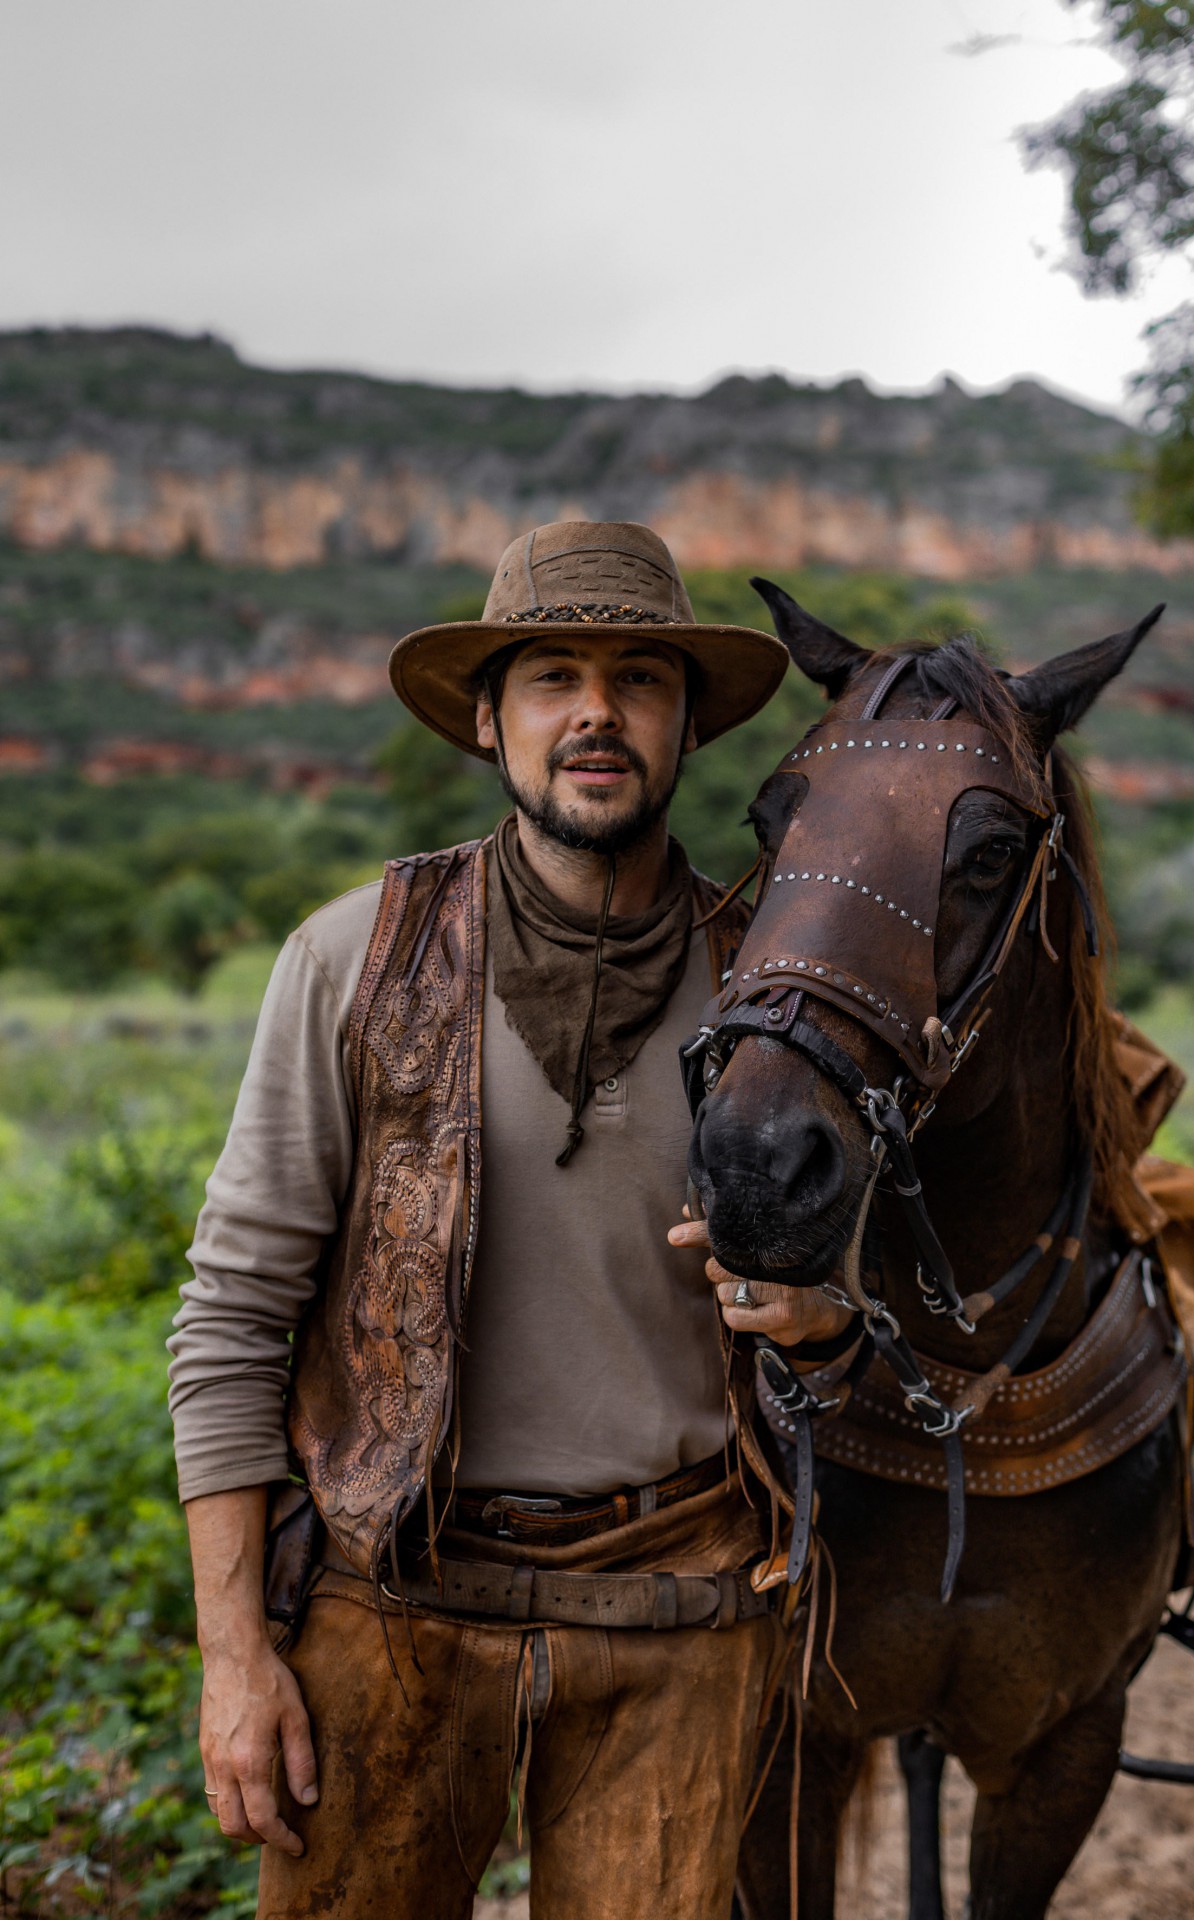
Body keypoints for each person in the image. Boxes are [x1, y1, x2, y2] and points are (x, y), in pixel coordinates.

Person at [168, 521, 856, 1920]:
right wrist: (236, 1659)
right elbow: (233, 1318)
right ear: (490, 720)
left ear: (687, 727)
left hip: (685, 1613)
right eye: (553, 674)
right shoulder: (352, 959)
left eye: (639, 679)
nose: (596, 712)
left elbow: (859, 1324)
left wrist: (823, 1318)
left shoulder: (772, 996)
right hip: (393, 1604)